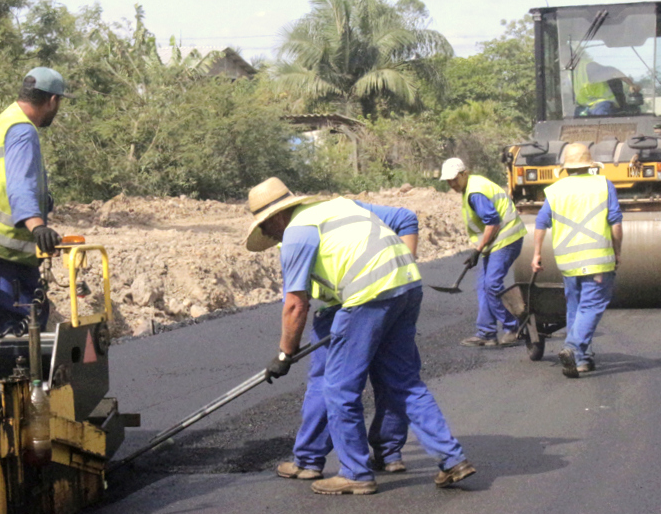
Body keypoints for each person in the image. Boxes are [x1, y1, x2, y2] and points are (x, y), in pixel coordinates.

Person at [246, 177, 474, 495]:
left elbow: (296, 304)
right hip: (406, 285)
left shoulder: (297, 234)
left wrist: (285, 354)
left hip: (367, 295)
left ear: (277, 217)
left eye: (266, 227)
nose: (268, 236)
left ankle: (355, 472)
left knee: (339, 388)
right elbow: (402, 220)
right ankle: (453, 461)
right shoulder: (337, 207)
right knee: (404, 382)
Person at [0, 67, 70, 334]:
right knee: (24, 322)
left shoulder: (4, 121)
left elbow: (0, 179)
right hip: (1, 248)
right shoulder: (23, 131)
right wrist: (38, 227)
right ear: (52, 101)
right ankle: (25, 375)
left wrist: (44, 201)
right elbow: (20, 185)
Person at [531, 144, 623, 378]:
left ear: (567, 168)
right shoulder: (603, 184)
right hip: (597, 260)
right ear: (589, 165)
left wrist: (536, 254)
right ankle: (572, 347)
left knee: (575, 307)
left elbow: (541, 222)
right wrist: (617, 251)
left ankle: (581, 360)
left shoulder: (555, 189)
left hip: (568, 260)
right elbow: (616, 222)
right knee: (592, 306)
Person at [441, 157, 527, 347]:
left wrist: (477, 250)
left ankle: (513, 326)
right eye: (448, 181)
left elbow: (493, 222)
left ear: (464, 174)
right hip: (495, 241)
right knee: (483, 286)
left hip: (506, 238)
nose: (452, 184)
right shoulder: (472, 186)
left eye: (454, 179)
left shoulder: (475, 192)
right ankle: (487, 332)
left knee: (491, 285)